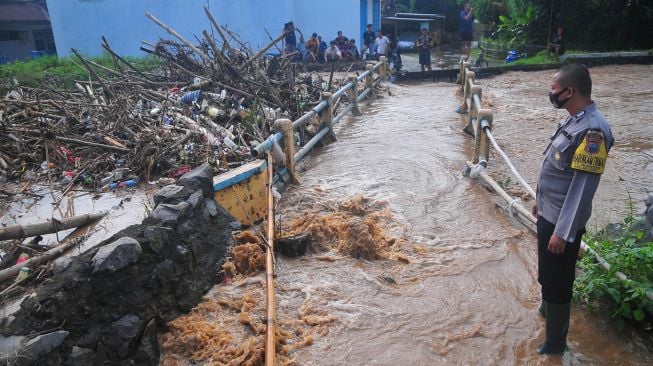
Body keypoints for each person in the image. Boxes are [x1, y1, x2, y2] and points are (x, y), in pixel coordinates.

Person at [531, 63, 614, 355]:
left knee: (558, 282)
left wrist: (563, 234)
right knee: (547, 275)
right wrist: (539, 201)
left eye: (554, 90)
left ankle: (555, 346)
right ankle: (547, 314)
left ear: (570, 91)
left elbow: (581, 188)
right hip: (549, 213)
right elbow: (556, 167)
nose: (551, 94)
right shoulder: (575, 119)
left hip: (562, 224)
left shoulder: (593, 132)